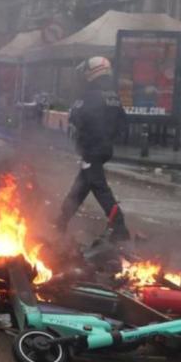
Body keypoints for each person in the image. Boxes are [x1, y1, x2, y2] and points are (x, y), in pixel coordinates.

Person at [56, 57, 130, 240]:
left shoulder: (89, 96)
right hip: (104, 148)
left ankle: (119, 226)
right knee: (82, 185)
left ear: (93, 72)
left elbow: (76, 117)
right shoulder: (112, 96)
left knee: (99, 187)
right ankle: (61, 220)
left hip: (92, 149)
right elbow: (123, 123)